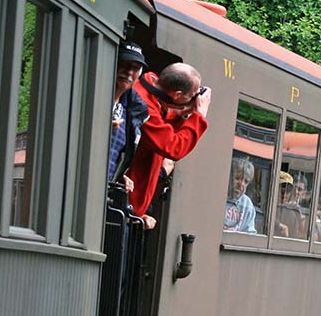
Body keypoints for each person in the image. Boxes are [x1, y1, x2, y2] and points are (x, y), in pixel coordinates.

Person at [125, 61, 210, 225]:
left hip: (134, 210)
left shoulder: (152, 89)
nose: (194, 99)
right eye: (192, 95)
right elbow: (173, 147)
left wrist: (184, 113)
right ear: (177, 95)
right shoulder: (143, 104)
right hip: (125, 206)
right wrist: (198, 117)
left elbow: (164, 127)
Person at [106, 42, 147, 189]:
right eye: (125, 64)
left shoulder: (133, 110)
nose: (129, 72)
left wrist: (118, 175)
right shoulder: (95, 94)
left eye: (135, 68)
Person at [224, 158, 258, 232]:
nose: (241, 184)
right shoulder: (218, 196)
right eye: (237, 178)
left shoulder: (247, 205)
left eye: (246, 181)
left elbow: (250, 234)